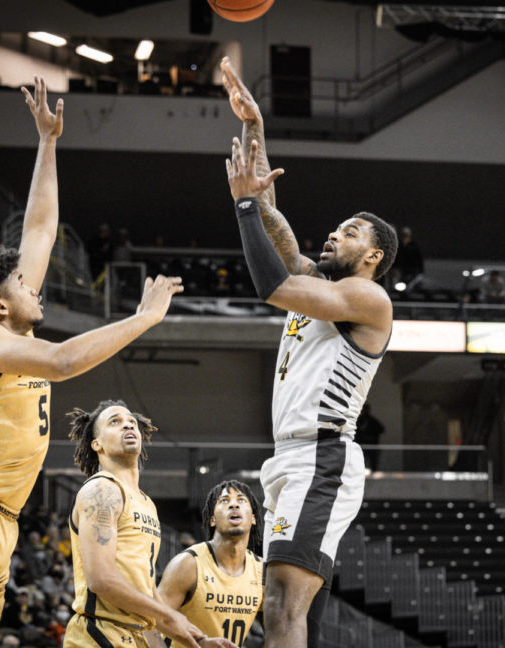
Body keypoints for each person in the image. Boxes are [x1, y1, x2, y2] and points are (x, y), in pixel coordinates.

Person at [0, 77, 184, 648]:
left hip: (1, 527)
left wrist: (48, 143)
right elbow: (63, 361)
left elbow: (40, 229)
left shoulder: (9, 325)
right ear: (0, 304)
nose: (36, 285)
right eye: (23, 283)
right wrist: (144, 318)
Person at [221, 56, 397, 648]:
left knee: (279, 604)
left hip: (322, 459)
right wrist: (256, 129)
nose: (334, 234)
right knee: (293, 611)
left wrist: (244, 205)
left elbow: (271, 284)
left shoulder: (365, 298)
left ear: (373, 256)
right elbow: (277, 226)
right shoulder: (324, 289)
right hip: (291, 460)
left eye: (350, 232)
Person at [64, 400, 236, 648]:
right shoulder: (102, 489)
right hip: (98, 633)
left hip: (135, 635)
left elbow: (147, 593)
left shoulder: (146, 503)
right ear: (97, 444)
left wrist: (198, 641)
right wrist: (169, 613)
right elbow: (101, 579)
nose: (127, 425)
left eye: (131, 421)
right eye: (115, 422)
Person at [159, 480, 263, 648]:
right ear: (212, 519)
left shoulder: (261, 571)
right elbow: (151, 621)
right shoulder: (188, 564)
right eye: (224, 501)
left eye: (241, 500)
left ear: (253, 519)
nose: (234, 505)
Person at [354, 403, 385, 472]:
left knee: (373, 463)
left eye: (366, 409)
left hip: (372, 445)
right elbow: (355, 431)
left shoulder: (373, 420)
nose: (365, 411)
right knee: (359, 463)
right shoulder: (358, 420)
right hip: (361, 445)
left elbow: (381, 429)